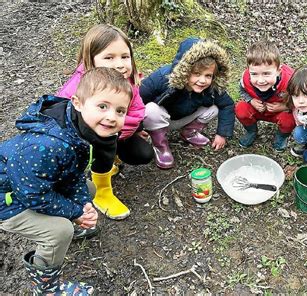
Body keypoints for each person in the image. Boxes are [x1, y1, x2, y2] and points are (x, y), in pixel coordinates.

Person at [0, 67, 132, 295]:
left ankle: (71, 225)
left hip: (28, 188)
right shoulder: (49, 145)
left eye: (120, 111)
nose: (112, 116)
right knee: (58, 231)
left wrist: (82, 206)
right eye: (103, 106)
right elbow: (32, 194)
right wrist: (74, 212)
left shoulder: (77, 128)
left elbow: (72, 175)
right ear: (78, 103)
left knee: (88, 189)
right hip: (8, 199)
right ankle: (47, 289)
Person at [57, 24, 153, 220]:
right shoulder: (79, 88)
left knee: (143, 153)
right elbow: (64, 119)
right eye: (109, 58)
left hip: (114, 129)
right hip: (85, 138)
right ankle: (101, 191)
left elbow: (136, 108)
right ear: (90, 59)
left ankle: (112, 158)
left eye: (125, 57)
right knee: (103, 143)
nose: (120, 64)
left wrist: (128, 130)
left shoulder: (125, 79)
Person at [139, 37, 235, 169]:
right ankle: (160, 146)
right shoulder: (162, 78)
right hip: (161, 119)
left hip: (187, 117)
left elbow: (227, 104)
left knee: (214, 108)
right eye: (196, 73)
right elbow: (136, 101)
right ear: (184, 70)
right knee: (150, 109)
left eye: (208, 75)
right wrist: (136, 130)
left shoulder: (212, 87)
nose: (202, 81)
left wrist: (222, 134)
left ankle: (189, 133)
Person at [235, 40, 295, 151]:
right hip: (258, 109)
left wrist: (285, 106)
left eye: (266, 74)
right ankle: (251, 131)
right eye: (254, 74)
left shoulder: (292, 81)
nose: (260, 80)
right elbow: (242, 91)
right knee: (240, 108)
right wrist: (251, 100)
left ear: (278, 71)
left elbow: (301, 101)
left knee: (289, 119)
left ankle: (282, 137)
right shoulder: (245, 78)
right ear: (249, 70)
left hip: (279, 112)